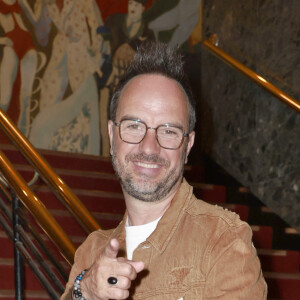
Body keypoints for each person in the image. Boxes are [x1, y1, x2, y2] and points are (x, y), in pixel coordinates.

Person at [61, 41, 267, 299]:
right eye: (134, 125)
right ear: (112, 137)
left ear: (188, 145)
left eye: (168, 131)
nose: (149, 147)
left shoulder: (223, 240)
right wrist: (84, 292)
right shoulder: (92, 252)